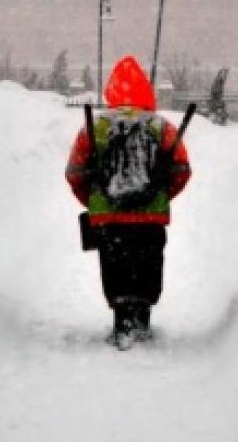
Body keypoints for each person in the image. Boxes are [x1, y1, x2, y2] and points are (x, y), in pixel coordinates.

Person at [65, 56, 192, 347]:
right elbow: (182, 169)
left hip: (108, 219)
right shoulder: (161, 127)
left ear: (112, 90)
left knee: (116, 268)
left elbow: (75, 171)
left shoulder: (95, 128)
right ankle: (142, 320)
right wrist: (160, 195)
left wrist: (95, 201)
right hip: (150, 219)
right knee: (146, 266)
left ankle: (122, 322)